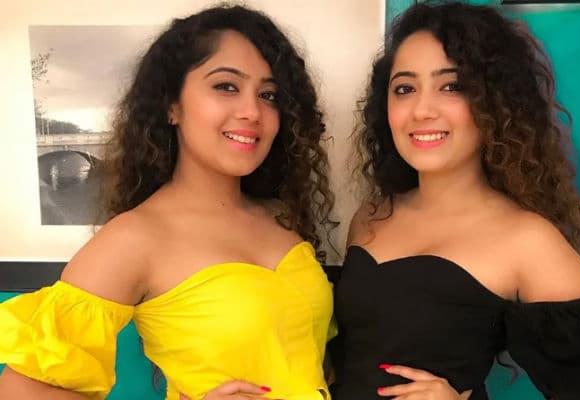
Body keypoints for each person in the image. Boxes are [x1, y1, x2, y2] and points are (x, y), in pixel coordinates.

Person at [0, 4, 338, 400]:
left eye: (268, 95)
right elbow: (19, 390)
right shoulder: (135, 238)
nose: (252, 112)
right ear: (172, 105)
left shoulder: (280, 216)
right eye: (226, 86)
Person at [330, 2, 580, 400]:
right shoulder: (372, 214)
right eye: (405, 89)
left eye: (452, 86)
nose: (422, 110)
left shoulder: (527, 240)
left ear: (495, 102)